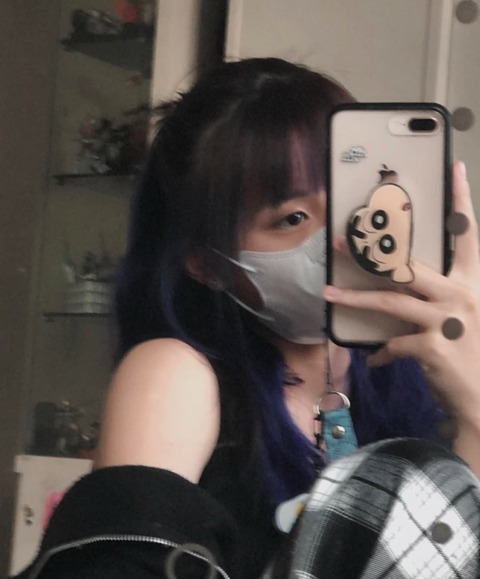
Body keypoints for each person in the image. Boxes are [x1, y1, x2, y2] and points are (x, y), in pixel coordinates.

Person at [11, 57, 480, 579]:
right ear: (208, 265)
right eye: (292, 218)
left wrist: (475, 407)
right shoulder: (176, 376)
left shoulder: (424, 366)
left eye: (350, 196)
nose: (345, 239)